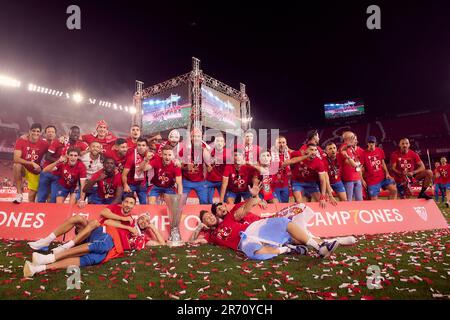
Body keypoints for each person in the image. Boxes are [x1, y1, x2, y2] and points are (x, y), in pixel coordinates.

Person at [190, 184, 339, 260]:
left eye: (209, 215)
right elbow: (193, 241)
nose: (209, 217)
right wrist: (198, 229)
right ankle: (287, 249)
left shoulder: (229, 217)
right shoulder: (211, 236)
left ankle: (319, 246)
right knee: (256, 255)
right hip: (243, 243)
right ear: (206, 224)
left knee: (284, 223)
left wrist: (253, 197)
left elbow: (242, 211)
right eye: (206, 219)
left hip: (254, 229)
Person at [23, 196, 142, 278]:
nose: (128, 205)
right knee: (93, 232)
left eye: (131, 203)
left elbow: (151, 240)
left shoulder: (133, 223)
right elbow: (106, 218)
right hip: (100, 232)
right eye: (126, 202)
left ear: (134, 206)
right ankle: (49, 247)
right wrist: (124, 221)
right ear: (123, 202)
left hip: (107, 244)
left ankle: (40, 267)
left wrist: (133, 227)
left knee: (92, 258)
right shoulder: (116, 209)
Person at [37, 126, 89, 203]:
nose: (76, 135)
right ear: (69, 133)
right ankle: (39, 212)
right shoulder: (60, 141)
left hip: (59, 174)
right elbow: (47, 157)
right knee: (41, 197)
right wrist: (60, 161)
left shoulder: (81, 144)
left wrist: (83, 153)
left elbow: (92, 150)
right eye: (74, 132)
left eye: (78, 133)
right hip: (50, 170)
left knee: (53, 200)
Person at [13, 123, 49, 203]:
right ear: (29, 131)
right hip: (24, 168)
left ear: (40, 133)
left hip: (35, 171)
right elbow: (16, 158)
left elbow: (53, 150)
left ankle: (31, 209)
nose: (35, 133)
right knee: (16, 165)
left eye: (38, 131)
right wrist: (31, 163)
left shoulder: (44, 143)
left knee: (32, 195)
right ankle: (19, 194)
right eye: (33, 131)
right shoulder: (21, 140)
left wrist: (62, 138)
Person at [361, 136, 397, 200]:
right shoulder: (363, 154)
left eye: (373, 142)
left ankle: (391, 206)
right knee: (374, 200)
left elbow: (383, 163)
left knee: (394, 190)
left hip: (382, 178)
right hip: (372, 181)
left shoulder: (380, 150)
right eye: (370, 142)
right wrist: (362, 180)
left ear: (375, 143)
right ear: (367, 143)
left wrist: (387, 173)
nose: (371, 144)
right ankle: (383, 206)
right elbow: (360, 168)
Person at [180, 128, 209, 204]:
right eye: (194, 136)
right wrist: (185, 167)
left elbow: (209, 166)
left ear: (201, 137)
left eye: (198, 136)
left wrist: (205, 151)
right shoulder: (185, 147)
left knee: (204, 202)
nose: (196, 138)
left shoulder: (204, 147)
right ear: (191, 137)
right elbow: (178, 165)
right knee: (181, 203)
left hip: (200, 181)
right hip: (186, 180)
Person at [122, 137, 151, 204]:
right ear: (136, 146)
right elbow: (124, 174)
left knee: (144, 204)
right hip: (131, 184)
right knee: (127, 203)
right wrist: (125, 184)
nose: (141, 147)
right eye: (139, 145)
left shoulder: (150, 156)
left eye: (143, 145)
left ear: (147, 147)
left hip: (142, 184)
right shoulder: (131, 157)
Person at [339, 131, 364, 201]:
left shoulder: (351, 148)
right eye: (353, 138)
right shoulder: (343, 148)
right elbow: (352, 164)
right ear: (348, 139)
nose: (355, 140)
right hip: (348, 179)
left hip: (357, 177)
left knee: (360, 200)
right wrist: (356, 164)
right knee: (348, 200)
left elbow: (357, 162)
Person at [204, 135, 228, 204]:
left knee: (225, 200)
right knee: (207, 202)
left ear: (224, 144)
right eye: (217, 141)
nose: (219, 143)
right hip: (210, 180)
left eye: (221, 141)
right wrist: (207, 165)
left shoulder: (228, 153)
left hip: (222, 181)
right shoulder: (209, 151)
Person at [270, 136, 292, 203]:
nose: (281, 145)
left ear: (286, 144)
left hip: (285, 184)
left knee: (285, 204)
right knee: (277, 204)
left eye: (283, 142)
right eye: (279, 143)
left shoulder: (289, 154)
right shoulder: (270, 154)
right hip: (274, 185)